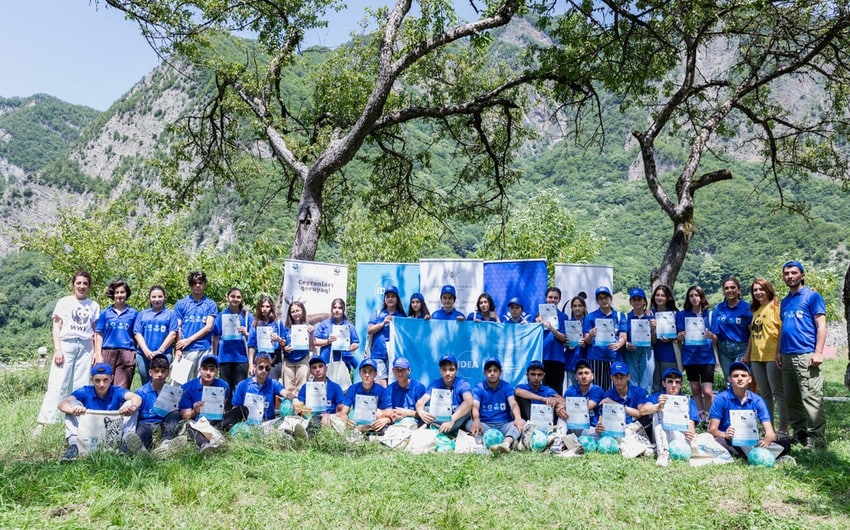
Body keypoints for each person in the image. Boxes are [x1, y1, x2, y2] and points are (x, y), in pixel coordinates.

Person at [36, 270, 101, 431]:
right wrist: (58, 349)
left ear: (89, 286)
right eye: (78, 283)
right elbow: (56, 327)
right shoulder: (64, 302)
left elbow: (96, 331)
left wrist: (96, 352)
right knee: (58, 383)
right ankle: (45, 422)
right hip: (67, 344)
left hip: (86, 346)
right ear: (73, 284)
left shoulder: (94, 305)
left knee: (80, 384)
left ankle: (76, 421)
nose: (82, 286)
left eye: (85, 283)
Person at [778, 261, 827, 449]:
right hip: (787, 355)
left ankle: (817, 441)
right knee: (792, 399)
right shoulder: (785, 301)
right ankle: (800, 435)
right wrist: (779, 352)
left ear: (802, 275)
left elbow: (821, 325)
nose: (790, 276)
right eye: (786, 273)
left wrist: (818, 352)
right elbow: (783, 329)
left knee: (811, 397)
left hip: (806, 355)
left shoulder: (812, 297)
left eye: (793, 273)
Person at [57, 363, 141, 461]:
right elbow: (62, 404)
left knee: (132, 403)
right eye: (97, 380)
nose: (101, 384)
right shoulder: (85, 391)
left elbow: (137, 397)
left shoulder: (116, 390)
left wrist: (132, 407)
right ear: (91, 380)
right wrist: (74, 410)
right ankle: (74, 446)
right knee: (72, 403)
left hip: (113, 432)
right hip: (89, 431)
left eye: (105, 380)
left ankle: (126, 444)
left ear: (111, 378)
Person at [708, 362, 791, 460]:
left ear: (749, 379)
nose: (740, 378)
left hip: (751, 440)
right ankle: (759, 455)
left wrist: (767, 440)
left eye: (743, 376)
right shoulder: (721, 398)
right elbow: (712, 430)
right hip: (728, 441)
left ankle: (746, 454)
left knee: (786, 444)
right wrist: (725, 435)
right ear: (729, 379)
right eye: (735, 376)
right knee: (716, 442)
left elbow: (770, 432)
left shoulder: (757, 399)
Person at [742, 278, 787, 435]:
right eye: (755, 290)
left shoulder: (776, 307)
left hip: (772, 356)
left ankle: (783, 429)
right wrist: (747, 354)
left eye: (761, 289)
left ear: (768, 290)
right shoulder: (755, 310)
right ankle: (770, 429)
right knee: (764, 394)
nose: (758, 293)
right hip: (756, 357)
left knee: (778, 393)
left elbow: (781, 331)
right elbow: (753, 335)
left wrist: (778, 352)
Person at [638, 368, 698, 467]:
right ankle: (663, 453)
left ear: (681, 385)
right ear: (664, 383)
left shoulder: (688, 401)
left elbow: (691, 423)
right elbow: (643, 410)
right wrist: (658, 406)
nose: (674, 385)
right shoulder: (657, 396)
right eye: (670, 382)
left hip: (680, 435)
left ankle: (655, 449)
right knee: (659, 410)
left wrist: (690, 433)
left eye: (677, 382)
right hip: (661, 432)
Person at [465, 357, 525, 453]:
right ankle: (482, 445)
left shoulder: (506, 387)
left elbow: (513, 403)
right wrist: (476, 420)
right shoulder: (478, 388)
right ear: (484, 373)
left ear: (500, 372)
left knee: (522, 422)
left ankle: (505, 444)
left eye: (495, 371)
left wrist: (517, 417)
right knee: (469, 423)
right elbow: (475, 406)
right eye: (489, 371)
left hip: (504, 425)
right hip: (485, 425)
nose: (492, 373)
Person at [126, 354, 183, 453]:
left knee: (175, 414)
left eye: (163, 371)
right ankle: (142, 451)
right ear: (150, 372)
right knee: (141, 431)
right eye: (156, 371)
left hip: (164, 425)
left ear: (168, 373)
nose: (160, 374)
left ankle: (166, 443)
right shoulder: (141, 392)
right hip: (146, 424)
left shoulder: (173, 392)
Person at [676, 285, 716, 425]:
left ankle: (710, 416)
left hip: (706, 357)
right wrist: (680, 336)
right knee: (695, 388)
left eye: (697, 295)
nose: (694, 298)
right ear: (688, 298)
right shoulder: (681, 315)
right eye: (691, 295)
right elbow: (678, 337)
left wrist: (712, 336)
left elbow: (716, 337)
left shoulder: (710, 315)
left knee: (708, 391)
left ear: (701, 297)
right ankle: (701, 416)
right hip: (690, 356)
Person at [178, 355, 232, 454]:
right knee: (190, 426)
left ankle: (216, 432)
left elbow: (222, 407)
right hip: (197, 422)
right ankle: (204, 445)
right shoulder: (187, 388)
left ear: (217, 371)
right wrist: (195, 411)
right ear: (200, 369)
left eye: (212, 369)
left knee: (241, 410)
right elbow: (185, 416)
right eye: (205, 369)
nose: (208, 373)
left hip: (215, 420)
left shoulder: (224, 386)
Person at [93, 280, 139, 389]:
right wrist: (98, 354)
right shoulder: (105, 313)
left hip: (126, 352)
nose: (119, 295)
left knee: (121, 388)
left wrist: (134, 353)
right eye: (117, 292)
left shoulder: (134, 313)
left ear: (126, 294)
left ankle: (120, 407)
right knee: (104, 385)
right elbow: (99, 333)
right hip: (107, 352)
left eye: (122, 292)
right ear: (113, 294)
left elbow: (137, 334)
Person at [174, 271, 218, 380]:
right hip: (185, 350)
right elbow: (177, 327)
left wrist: (189, 339)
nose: (198, 285)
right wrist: (178, 348)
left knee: (202, 384)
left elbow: (208, 327)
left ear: (204, 284)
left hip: (204, 349)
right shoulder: (181, 304)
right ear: (190, 285)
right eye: (194, 283)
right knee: (179, 384)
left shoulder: (210, 304)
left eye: (200, 283)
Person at [415, 354, 474, 434]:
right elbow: (421, 401)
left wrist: (452, 420)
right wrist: (421, 412)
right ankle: (445, 428)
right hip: (443, 416)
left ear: (456, 370)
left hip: (457, 417)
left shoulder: (462, 383)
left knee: (466, 411)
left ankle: (439, 428)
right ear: (440, 371)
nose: (447, 373)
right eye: (444, 369)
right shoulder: (436, 383)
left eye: (451, 369)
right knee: (425, 410)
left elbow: (469, 402)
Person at [583, 286, 627, 390]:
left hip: (615, 358)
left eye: (606, 297)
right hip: (596, 357)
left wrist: (619, 344)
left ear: (610, 298)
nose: (604, 300)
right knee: (597, 389)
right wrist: (590, 335)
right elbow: (587, 341)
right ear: (597, 301)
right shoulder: (590, 317)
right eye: (600, 298)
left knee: (615, 389)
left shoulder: (620, 316)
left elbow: (623, 336)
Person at [134, 286, 179, 386]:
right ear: (149, 298)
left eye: (160, 296)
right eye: (154, 297)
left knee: (160, 382)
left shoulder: (170, 315)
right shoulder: (142, 314)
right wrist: (146, 352)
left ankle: (162, 402)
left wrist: (160, 351)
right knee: (146, 383)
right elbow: (137, 333)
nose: (157, 299)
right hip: (144, 355)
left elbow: (172, 334)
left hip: (164, 354)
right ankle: (147, 401)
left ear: (164, 297)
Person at [212, 287, 253, 397]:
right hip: (224, 357)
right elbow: (216, 338)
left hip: (241, 358)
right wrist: (215, 357)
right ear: (228, 297)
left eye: (238, 297)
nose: (235, 299)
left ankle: (239, 412)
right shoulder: (221, 316)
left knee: (240, 388)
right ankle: (227, 411)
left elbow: (253, 339)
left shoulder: (247, 317)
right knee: (226, 388)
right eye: (233, 296)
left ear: (242, 299)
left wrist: (246, 333)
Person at [229, 353, 290, 426]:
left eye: (267, 368)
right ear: (255, 367)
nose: (264, 370)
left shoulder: (273, 383)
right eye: (261, 367)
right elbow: (235, 408)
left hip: (268, 423)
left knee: (288, 404)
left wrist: (295, 399)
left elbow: (285, 393)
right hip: (248, 424)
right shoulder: (243, 385)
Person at [596, 361, 650, 437]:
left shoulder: (638, 391)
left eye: (622, 377)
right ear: (611, 377)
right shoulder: (608, 394)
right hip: (616, 429)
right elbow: (602, 418)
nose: (619, 381)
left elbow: (640, 413)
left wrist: (615, 404)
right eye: (616, 377)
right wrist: (599, 426)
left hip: (636, 429)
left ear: (628, 377)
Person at [712, 277, 753, 378]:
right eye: (726, 288)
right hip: (724, 350)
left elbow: (752, 333)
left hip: (742, 348)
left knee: (740, 378)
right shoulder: (719, 308)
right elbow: (715, 333)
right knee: (729, 379)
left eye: (732, 287)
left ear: (738, 290)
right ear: (723, 291)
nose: (729, 290)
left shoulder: (747, 308)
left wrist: (747, 353)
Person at [367, 286, 407, 386]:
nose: (390, 299)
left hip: (395, 355)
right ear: (384, 299)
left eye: (393, 296)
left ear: (397, 298)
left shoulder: (402, 316)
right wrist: (383, 323)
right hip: (378, 354)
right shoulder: (378, 313)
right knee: (381, 385)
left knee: (396, 383)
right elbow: (370, 330)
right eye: (387, 296)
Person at [339, 359, 393, 434]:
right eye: (364, 371)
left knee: (379, 413)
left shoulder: (383, 391)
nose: (367, 375)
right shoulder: (353, 388)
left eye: (370, 371)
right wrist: (345, 419)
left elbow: (388, 411)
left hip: (374, 420)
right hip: (356, 419)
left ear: (375, 374)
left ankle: (365, 430)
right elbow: (344, 411)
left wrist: (386, 419)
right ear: (360, 373)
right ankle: (360, 429)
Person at [314, 299, 360, 383]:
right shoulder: (324, 324)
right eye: (335, 307)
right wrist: (327, 341)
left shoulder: (349, 325)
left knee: (342, 389)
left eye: (340, 308)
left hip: (343, 363)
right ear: (331, 309)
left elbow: (356, 343)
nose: (337, 310)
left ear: (343, 310)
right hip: (325, 362)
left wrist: (346, 348)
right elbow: (315, 341)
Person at [293, 356, 346, 427]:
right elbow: (299, 407)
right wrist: (303, 409)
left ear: (326, 368)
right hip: (310, 417)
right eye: (314, 367)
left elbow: (342, 408)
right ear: (310, 371)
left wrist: (330, 415)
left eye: (320, 366)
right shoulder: (305, 387)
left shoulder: (335, 387)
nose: (318, 370)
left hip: (330, 418)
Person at [536, 287, 569, 394]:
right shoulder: (538, 316)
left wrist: (552, 329)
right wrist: (536, 324)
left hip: (557, 359)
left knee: (556, 392)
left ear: (559, 300)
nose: (552, 300)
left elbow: (564, 338)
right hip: (541, 358)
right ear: (545, 298)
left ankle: (556, 411)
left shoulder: (563, 316)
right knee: (541, 391)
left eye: (556, 298)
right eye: (550, 297)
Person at [560, 359, 605, 436]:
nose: (583, 376)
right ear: (576, 377)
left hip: (592, 428)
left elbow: (589, 405)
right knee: (561, 415)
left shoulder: (597, 390)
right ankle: (559, 439)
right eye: (580, 373)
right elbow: (561, 405)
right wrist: (560, 409)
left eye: (586, 373)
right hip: (574, 426)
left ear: (592, 376)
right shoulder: (570, 390)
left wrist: (565, 406)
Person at [246, 295, 286, 382]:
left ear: (271, 308)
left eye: (267, 306)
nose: (264, 309)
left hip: (274, 359)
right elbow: (251, 346)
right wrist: (251, 365)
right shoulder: (255, 324)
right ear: (259, 308)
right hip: (259, 357)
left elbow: (284, 343)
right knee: (258, 385)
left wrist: (278, 339)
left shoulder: (278, 323)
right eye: (262, 306)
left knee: (271, 385)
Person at [514, 360, 563, 427]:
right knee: (522, 400)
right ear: (527, 375)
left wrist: (555, 400)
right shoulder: (522, 387)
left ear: (543, 376)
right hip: (527, 423)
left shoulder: (547, 389)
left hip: (545, 423)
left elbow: (562, 400)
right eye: (533, 374)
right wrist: (543, 399)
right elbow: (517, 392)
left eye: (539, 375)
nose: (536, 378)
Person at [624, 287, 654, 394]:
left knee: (647, 379)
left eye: (639, 299)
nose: (637, 302)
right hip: (631, 351)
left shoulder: (651, 317)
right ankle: (633, 404)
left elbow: (654, 340)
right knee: (632, 380)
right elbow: (623, 336)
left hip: (647, 351)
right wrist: (626, 344)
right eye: (634, 299)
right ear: (631, 302)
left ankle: (645, 405)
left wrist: (654, 328)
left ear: (644, 301)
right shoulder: (626, 317)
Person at [650, 285, 679, 392]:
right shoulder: (650, 313)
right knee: (656, 385)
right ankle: (657, 407)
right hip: (653, 356)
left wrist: (670, 338)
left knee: (671, 384)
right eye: (657, 295)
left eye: (663, 295)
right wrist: (653, 329)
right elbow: (651, 339)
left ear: (668, 298)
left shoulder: (675, 314)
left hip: (669, 355)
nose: (660, 298)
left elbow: (679, 334)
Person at [281, 301, 313, 394]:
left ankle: (299, 407)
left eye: (298, 310)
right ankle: (289, 407)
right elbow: (282, 344)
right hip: (288, 361)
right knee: (288, 389)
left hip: (303, 361)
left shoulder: (308, 327)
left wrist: (311, 334)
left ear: (302, 311)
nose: (296, 313)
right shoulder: (286, 328)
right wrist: (284, 348)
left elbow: (311, 347)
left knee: (301, 389)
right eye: (293, 311)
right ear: (290, 314)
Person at [387, 357, 427, 422]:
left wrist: (409, 413)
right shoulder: (390, 389)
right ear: (393, 371)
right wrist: (392, 415)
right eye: (397, 370)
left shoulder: (418, 388)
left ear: (409, 370)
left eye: (403, 370)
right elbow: (387, 410)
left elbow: (425, 414)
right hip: (395, 424)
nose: (400, 373)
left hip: (416, 425)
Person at [564, 294, 588, 388]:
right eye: (574, 306)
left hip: (585, 360)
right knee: (572, 390)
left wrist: (585, 343)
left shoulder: (589, 322)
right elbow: (563, 342)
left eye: (580, 306)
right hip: (571, 360)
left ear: (584, 307)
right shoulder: (568, 323)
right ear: (571, 308)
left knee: (585, 390)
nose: (577, 308)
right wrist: (566, 343)